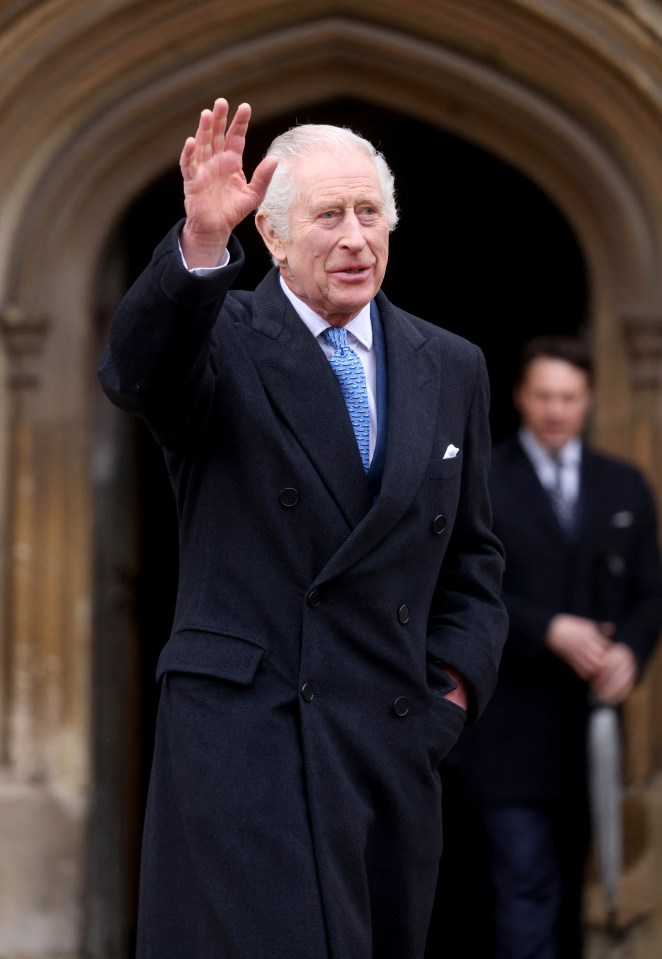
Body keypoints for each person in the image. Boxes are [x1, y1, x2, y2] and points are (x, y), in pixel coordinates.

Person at [98, 97, 508, 959]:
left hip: (388, 740)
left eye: (371, 213)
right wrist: (203, 244)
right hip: (247, 739)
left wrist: (450, 694)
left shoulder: (452, 364)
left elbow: (474, 557)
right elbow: (136, 373)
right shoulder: (221, 338)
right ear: (275, 239)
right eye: (329, 216)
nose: (356, 238)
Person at [431, 335, 662, 959]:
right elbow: (454, 585)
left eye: (569, 396)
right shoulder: (481, 479)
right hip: (505, 730)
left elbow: (651, 593)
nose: (556, 410)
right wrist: (548, 628)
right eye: (544, 396)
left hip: (592, 733)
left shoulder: (624, 485)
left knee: (578, 890)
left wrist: (630, 655)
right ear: (520, 398)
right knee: (525, 885)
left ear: (589, 399)